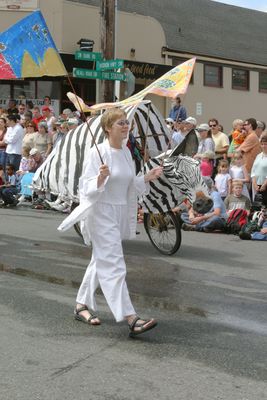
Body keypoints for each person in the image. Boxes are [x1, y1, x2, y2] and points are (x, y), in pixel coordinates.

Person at [58, 107, 163, 336]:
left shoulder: (126, 151)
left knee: (101, 260)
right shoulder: (97, 152)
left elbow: (128, 184)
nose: (126, 126)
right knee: (114, 263)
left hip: (119, 212)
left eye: (127, 122)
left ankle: (80, 305)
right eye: (120, 123)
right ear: (107, 128)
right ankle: (131, 317)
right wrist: (100, 178)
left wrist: (147, 177)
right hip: (101, 213)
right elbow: (85, 188)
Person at [251, 133, 267, 206]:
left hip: (265, 185)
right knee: (258, 207)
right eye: (262, 144)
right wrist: (254, 183)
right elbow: (253, 170)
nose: (264, 146)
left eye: (266, 144)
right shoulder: (259, 156)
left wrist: (264, 184)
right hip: (258, 186)